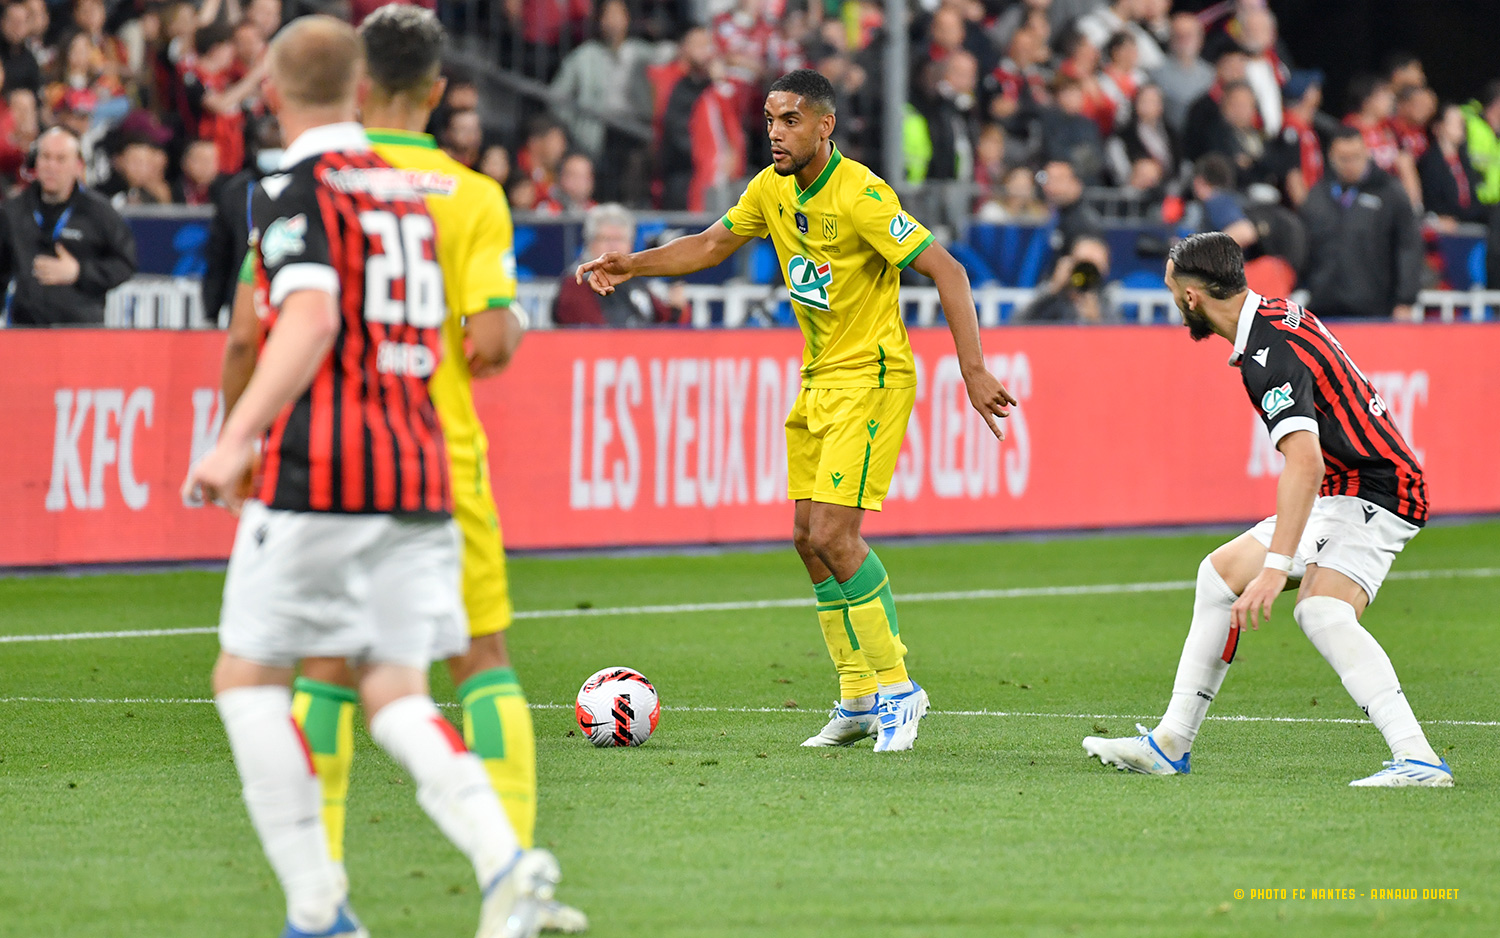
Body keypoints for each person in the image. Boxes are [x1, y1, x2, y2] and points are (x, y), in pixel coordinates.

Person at [180, 16, 559, 938]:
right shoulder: (416, 191)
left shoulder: (288, 186)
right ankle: (505, 860)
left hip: (323, 471)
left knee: (249, 677)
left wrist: (235, 441)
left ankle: (317, 907)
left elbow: (284, 325)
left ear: (270, 92)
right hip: (423, 467)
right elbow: (475, 335)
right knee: (394, 685)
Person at [577, 69, 1015, 752]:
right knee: (808, 539)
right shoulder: (769, 189)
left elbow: (948, 271)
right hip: (817, 381)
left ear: (823, 126)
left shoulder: (863, 194)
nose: (775, 133)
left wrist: (973, 368)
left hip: (871, 379)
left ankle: (900, 690)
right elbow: (710, 245)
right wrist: (632, 264)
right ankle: (858, 696)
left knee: (838, 536)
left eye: (789, 121)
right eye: (770, 120)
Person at [1083, 232, 1450, 789]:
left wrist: (1276, 567)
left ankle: (1419, 759)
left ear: (1192, 299)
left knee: (1320, 611)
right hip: (1347, 486)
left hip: (1378, 487)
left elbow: (1305, 465)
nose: (1172, 303)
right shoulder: (1274, 317)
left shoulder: (1267, 356)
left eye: (1171, 291)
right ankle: (1170, 742)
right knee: (1219, 576)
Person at [0, 126, 135, 326]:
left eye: (61, 159)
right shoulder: (13, 211)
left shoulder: (99, 212)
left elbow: (126, 263)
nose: (51, 166)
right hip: (26, 329)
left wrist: (79, 272)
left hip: (79, 331)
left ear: (78, 166)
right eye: (45, 157)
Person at [1299, 127, 1422, 320]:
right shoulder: (1318, 195)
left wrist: (1405, 299)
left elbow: (1408, 246)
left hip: (1374, 308)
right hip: (1324, 306)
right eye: (1343, 158)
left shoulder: (1389, 192)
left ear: (1366, 153)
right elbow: (1304, 247)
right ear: (1331, 156)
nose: (1350, 164)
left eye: (1356, 157)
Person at [554, 202, 681, 326]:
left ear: (630, 245)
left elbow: (664, 319)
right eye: (606, 239)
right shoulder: (577, 283)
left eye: (620, 239)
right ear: (591, 243)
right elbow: (594, 332)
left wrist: (677, 309)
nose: (614, 246)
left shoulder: (633, 279)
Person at [1419, 102, 1486, 228]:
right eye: (1454, 122)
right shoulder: (1430, 162)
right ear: (1438, 127)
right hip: (1445, 224)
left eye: (1462, 122)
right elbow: (1432, 199)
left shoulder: (1464, 160)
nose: (1461, 126)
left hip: (1469, 221)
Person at [1151, 11, 1213, 135]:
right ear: (1170, 38)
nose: (1184, 40)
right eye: (1178, 35)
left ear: (1200, 38)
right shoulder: (1155, 75)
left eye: (1189, 35)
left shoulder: (1211, 74)